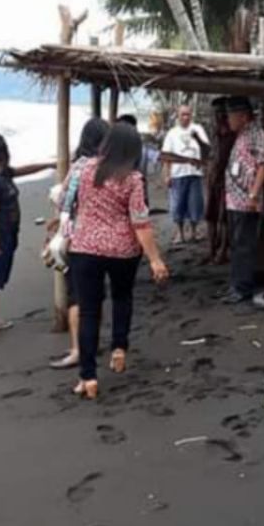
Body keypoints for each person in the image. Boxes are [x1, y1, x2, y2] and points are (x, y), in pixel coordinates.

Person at [68, 122, 170, 399]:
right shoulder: (133, 178)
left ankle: (88, 377)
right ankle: (119, 348)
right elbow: (140, 221)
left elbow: (65, 197)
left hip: (85, 247)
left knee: (89, 311)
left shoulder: (83, 168)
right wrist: (155, 259)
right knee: (122, 297)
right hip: (122, 250)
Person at [0, 134, 56, 343]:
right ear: (1, 154)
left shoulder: (3, 173)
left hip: (8, 233)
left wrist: (49, 165)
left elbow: (23, 170)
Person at [48, 117, 109, 369]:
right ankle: (88, 345)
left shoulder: (79, 167)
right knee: (94, 296)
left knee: (77, 297)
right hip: (103, 239)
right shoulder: (109, 168)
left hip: (78, 239)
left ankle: (76, 348)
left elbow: (63, 200)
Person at [222, 96, 264, 307]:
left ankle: (242, 288)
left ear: (242, 116)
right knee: (237, 243)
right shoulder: (243, 135)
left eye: (231, 116)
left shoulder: (257, 135)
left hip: (246, 201)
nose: (228, 121)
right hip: (235, 199)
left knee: (244, 245)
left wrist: (253, 194)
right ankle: (236, 285)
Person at [161, 104, 210, 244]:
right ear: (178, 116)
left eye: (188, 114)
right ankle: (180, 233)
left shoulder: (198, 129)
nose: (185, 117)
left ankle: (194, 232)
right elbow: (166, 156)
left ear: (191, 115)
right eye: (183, 114)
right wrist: (167, 175)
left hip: (195, 173)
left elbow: (206, 149)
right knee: (177, 205)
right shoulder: (172, 133)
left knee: (195, 204)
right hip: (178, 175)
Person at [204, 98, 236, 265]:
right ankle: (211, 250)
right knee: (210, 215)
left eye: (221, 113)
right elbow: (212, 155)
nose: (218, 116)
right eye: (215, 113)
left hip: (227, 180)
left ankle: (223, 250)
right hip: (213, 178)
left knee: (224, 218)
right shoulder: (214, 133)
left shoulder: (233, 134)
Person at [117, 114, 160, 208]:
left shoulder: (143, 149)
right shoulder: (111, 150)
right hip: (119, 200)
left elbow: (159, 156)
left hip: (139, 198)